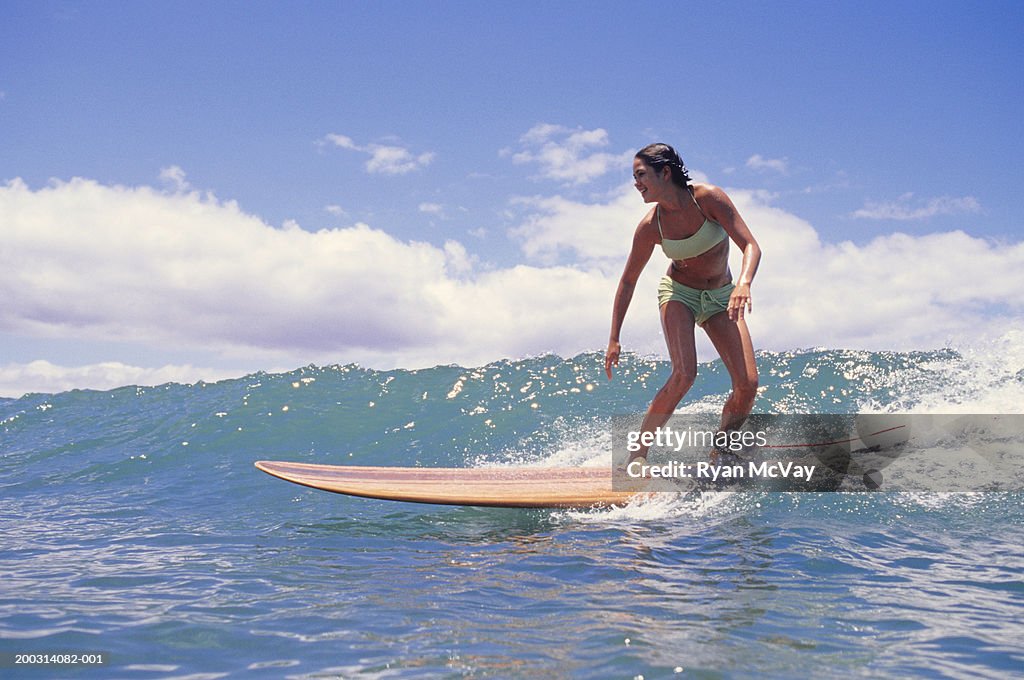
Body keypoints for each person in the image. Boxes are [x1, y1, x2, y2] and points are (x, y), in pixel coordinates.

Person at [605, 143, 761, 464]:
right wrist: (614, 338)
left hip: (721, 295)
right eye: (634, 177)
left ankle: (720, 454)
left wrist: (743, 283)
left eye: (641, 175)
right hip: (679, 294)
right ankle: (637, 457)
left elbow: (750, 246)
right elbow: (628, 281)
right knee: (684, 374)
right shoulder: (651, 227)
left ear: (665, 172)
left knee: (747, 385)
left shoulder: (708, 199)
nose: (636, 184)